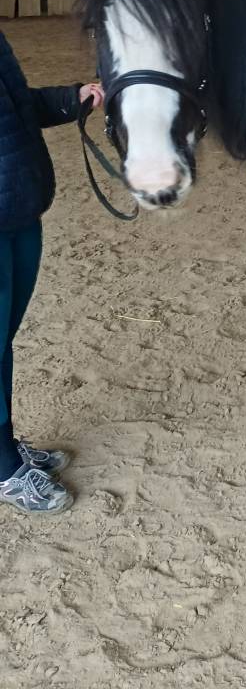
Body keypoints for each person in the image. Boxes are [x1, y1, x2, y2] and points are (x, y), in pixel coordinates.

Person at [0, 28, 103, 513]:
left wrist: (71, 99)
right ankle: (3, 469)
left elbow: (16, 110)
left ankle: (4, 446)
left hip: (18, 208)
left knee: (3, 338)